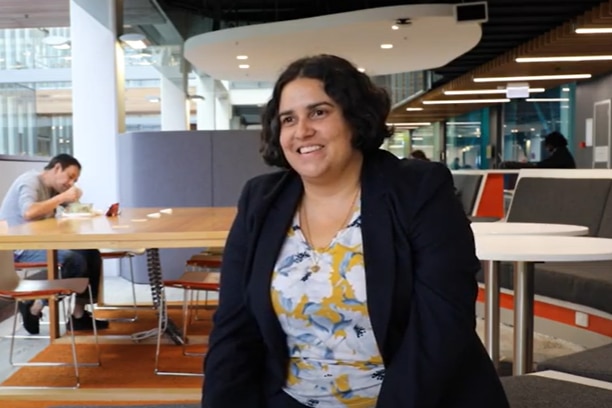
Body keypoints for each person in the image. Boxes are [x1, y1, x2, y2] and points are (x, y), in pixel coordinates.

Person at [202, 54, 509, 407]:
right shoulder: (260, 199)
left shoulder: (417, 190)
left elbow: (441, 327)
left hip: (412, 397)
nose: (302, 130)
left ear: (353, 117)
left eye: (319, 112)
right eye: (289, 119)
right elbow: (233, 329)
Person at [0, 154, 108, 334]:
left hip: (41, 242)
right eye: (70, 176)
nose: (71, 182)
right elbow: (29, 212)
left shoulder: (54, 189)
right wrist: (62, 197)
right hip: (17, 247)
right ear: (57, 168)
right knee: (74, 260)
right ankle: (35, 307)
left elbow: (73, 212)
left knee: (90, 252)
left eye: (75, 180)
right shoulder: (30, 181)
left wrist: (76, 203)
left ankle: (78, 315)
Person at [501, 131, 576, 169]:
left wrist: (512, 164)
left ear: (551, 144)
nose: (547, 149)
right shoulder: (564, 154)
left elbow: (539, 166)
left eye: (547, 146)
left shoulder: (560, 156)